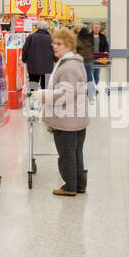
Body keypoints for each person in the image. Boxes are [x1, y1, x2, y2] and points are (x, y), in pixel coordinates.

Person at [40, 26, 90, 196]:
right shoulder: (73, 62)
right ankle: (79, 184)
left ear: (68, 45)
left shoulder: (69, 67)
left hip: (67, 119)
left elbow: (65, 94)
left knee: (67, 154)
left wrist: (43, 96)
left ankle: (69, 186)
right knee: (76, 153)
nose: (54, 46)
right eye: (53, 43)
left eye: (58, 43)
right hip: (76, 118)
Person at [21, 20, 55, 90]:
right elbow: (55, 51)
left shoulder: (31, 37)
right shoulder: (51, 38)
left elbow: (25, 49)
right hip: (47, 66)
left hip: (33, 66)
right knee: (45, 87)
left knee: (33, 86)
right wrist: (56, 60)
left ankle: (33, 99)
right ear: (47, 28)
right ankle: (44, 100)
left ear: (38, 27)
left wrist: (24, 59)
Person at [76, 24, 96, 100]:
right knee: (89, 79)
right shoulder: (91, 39)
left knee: (80, 79)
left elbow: (76, 50)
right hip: (90, 61)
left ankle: (81, 96)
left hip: (81, 62)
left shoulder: (78, 40)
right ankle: (90, 97)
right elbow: (93, 49)